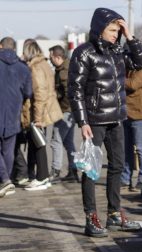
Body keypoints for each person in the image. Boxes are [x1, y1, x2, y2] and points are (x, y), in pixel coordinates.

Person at [68, 7, 142, 237]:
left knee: (117, 166)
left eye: (117, 30)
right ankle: (91, 217)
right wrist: (82, 121)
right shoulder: (84, 53)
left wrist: (129, 34)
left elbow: (141, 62)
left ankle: (114, 214)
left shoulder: (118, 52)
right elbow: (75, 90)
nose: (116, 34)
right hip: (94, 120)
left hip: (117, 118)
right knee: (91, 169)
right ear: (99, 29)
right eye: (112, 29)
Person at [22, 39, 62, 191]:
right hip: (46, 108)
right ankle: (42, 177)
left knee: (39, 144)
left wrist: (37, 118)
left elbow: (39, 93)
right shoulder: (44, 64)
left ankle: (42, 177)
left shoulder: (36, 67)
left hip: (40, 111)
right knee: (39, 143)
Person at [0, 36, 32, 197]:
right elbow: (28, 93)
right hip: (13, 113)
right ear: (14, 48)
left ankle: (4, 179)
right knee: (8, 150)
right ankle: (5, 181)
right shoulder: (23, 68)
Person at [121, 62, 142, 190]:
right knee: (126, 149)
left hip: (141, 113)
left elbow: (132, 84)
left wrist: (117, 76)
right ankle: (125, 179)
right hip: (126, 112)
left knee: (140, 148)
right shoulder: (128, 67)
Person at [49, 45, 79, 183]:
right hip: (70, 111)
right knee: (68, 142)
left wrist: (61, 109)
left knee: (56, 140)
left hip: (65, 111)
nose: (50, 61)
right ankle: (73, 171)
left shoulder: (63, 72)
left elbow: (68, 93)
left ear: (58, 57)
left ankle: (56, 171)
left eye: (51, 58)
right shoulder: (63, 68)